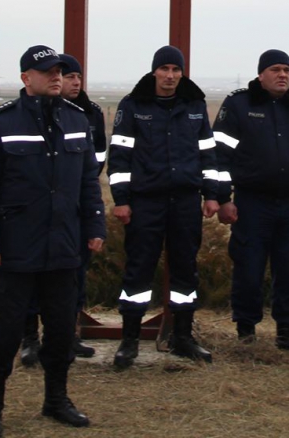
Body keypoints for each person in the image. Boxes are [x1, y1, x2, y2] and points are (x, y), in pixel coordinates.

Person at [0, 45, 106, 438]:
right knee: (5, 333)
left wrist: (95, 227)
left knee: (62, 330)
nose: (56, 77)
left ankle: (56, 400)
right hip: (16, 248)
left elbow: (87, 182)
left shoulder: (77, 120)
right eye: (47, 72)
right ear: (26, 78)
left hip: (64, 247)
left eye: (60, 71)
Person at [107, 45, 220, 367]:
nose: (170, 76)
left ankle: (183, 338)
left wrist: (211, 194)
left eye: (176, 70)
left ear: (182, 73)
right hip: (145, 202)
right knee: (138, 270)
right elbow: (119, 157)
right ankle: (129, 341)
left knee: (186, 270)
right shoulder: (133, 106)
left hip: (185, 201)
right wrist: (122, 201)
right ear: (154, 71)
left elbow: (208, 154)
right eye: (165, 69)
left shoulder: (195, 106)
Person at [213, 49, 289, 356]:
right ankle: (246, 334)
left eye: (287, 70)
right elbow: (218, 157)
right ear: (261, 74)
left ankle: (287, 333)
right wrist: (223, 198)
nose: (283, 75)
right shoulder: (239, 104)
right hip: (251, 203)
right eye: (276, 69)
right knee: (249, 270)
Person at [19, 52, 107, 365]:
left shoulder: (89, 113)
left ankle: (68, 335)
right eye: (68, 76)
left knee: (74, 278)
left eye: (75, 77)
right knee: (33, 280)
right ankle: (29, 338)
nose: (72, 82)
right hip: (39, 210)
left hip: (74, 206)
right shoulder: (24, 114)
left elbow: (95, 161)